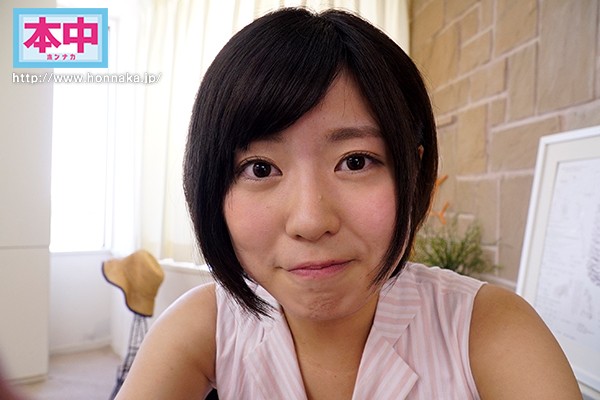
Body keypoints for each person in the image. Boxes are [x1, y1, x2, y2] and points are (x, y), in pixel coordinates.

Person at [116, 7, 582, 399]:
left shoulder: (488, 329)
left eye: (355, 161)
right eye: (259, 168)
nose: (310, 220)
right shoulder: (207, 325)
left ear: (413, 172)